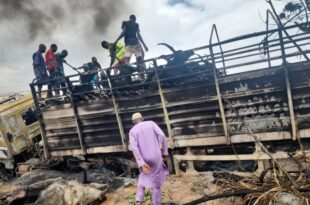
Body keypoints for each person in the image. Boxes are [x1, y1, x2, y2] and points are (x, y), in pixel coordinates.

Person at [129, 112, 169, 205]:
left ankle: (139, 201)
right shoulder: (151, 123)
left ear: (133, 122)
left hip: (144, 159)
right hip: (156, 157)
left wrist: (141, 162)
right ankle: (156, 203)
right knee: (156, 185)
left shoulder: (132, 131)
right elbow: (162, 136)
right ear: (142, 118)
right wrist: (164, 151)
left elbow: (134, 148)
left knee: (143, 176)